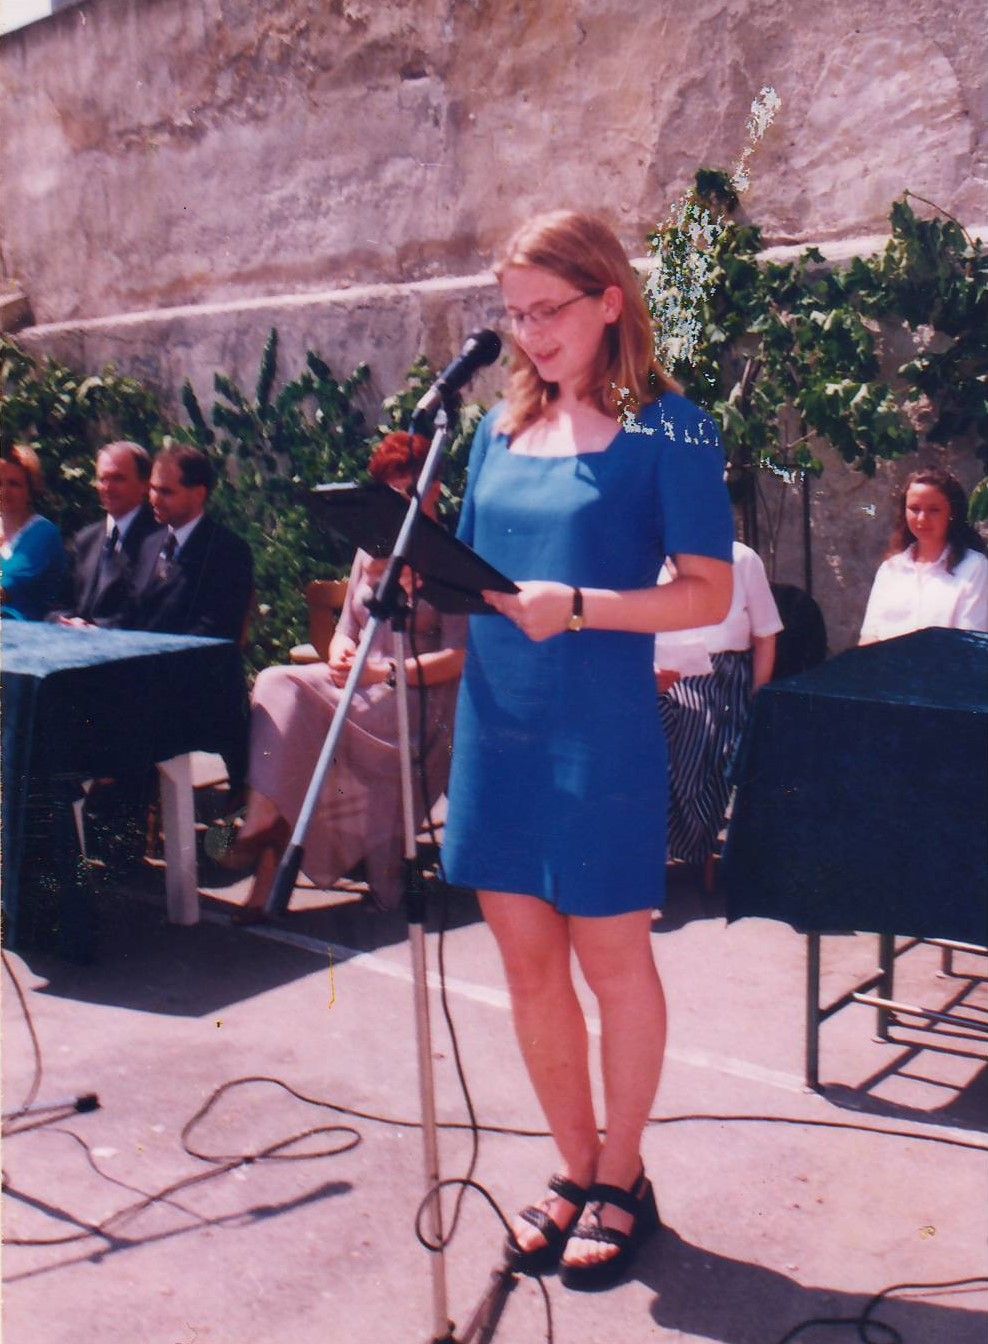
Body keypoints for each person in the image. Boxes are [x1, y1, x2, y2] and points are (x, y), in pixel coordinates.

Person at [440, 211, 733, 1290]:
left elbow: (706, 593)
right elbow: (483, 576)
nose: (529, 334)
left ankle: (622, 1176)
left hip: (598, 731)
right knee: (527, 968)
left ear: (609, 300)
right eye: (514, 315)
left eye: (547, 310)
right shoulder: (494, 430)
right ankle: (573, 1167)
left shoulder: (672, 429)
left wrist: (577, 606)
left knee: (613, 965)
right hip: (497, 726)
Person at [206, 432, 467, 922]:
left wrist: (382, 670)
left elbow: (457, 657)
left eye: (405, 491)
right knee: (276, 683)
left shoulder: (450, 556)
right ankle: (260, 822)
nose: (395, 504)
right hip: (360, 684)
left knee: (301, 728)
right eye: (388, 493)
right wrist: (342, 650)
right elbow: (347, 628)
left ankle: (264, 867)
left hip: (415, 695)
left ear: (433, 489)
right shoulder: (372, 550)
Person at [655, 540, 783, 877]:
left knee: (692, 734)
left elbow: (766, 636)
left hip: (721, 680)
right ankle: (651, 850)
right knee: (635, 733)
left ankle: (686, 845)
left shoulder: (741, 558)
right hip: (653, 677)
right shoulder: (644, 557)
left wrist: (757, 698)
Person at [130, 443, 254, 642]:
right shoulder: (148, 544)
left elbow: (216, 631)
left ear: (198, 495)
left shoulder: (227, 552)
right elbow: (131, 611)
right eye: (152, 488)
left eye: (166, 492)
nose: (154, 499)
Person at [859, 467, 988, 644]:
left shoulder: (974, 567)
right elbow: (869, 637)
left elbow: (969, 644)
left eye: (934, 510)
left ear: (952, 513)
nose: (922, 519)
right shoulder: (890, 570)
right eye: (914, 508)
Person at [52, 440, 159, 627]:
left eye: (118, 479)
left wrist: (98, 630)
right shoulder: (85, 539)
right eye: (102, 479)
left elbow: (150, 613)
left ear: (144, 484)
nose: (108, 488)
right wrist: (67, 622)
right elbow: (58, 606)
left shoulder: (158, 540)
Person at [0, 443, 68, 621]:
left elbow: (8, 587)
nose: (5, 490)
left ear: (30, 491)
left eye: (14, 484)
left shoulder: (43, 534)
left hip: (24, 631)